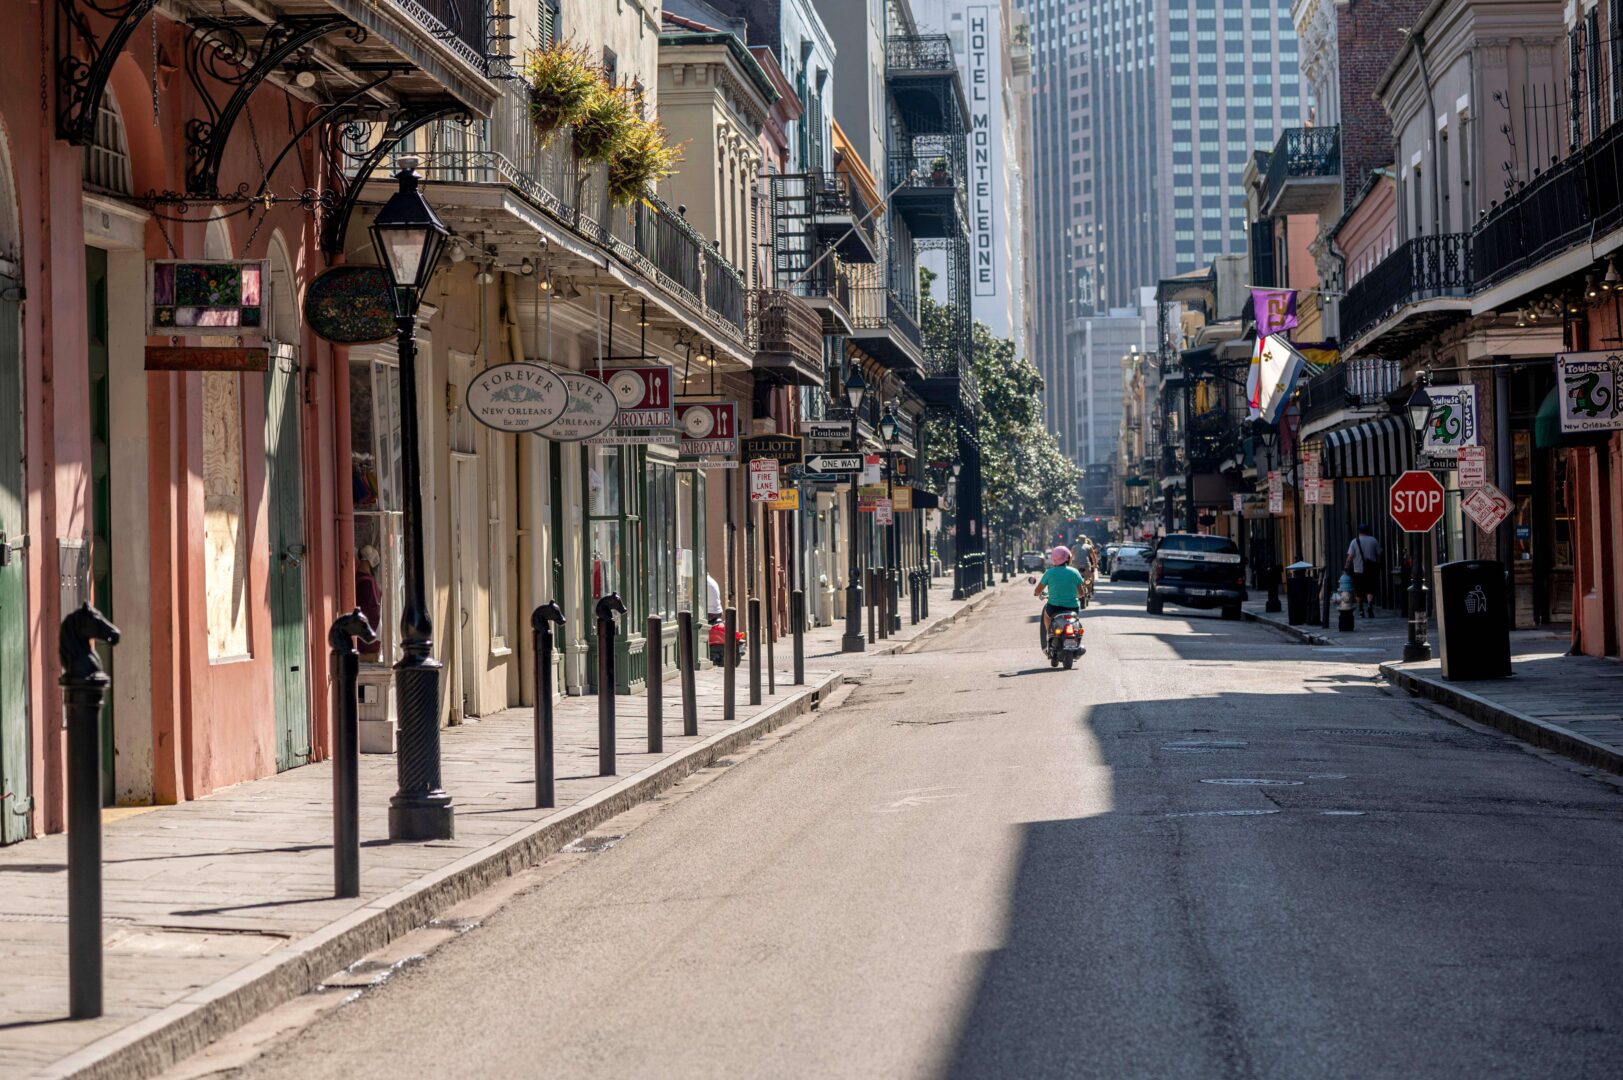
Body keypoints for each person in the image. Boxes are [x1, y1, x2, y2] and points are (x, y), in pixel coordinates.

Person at [1033, 545, 1085, 648]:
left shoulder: (1049, 573)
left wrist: (1037, 594)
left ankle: (1050, 634)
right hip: (1072, 607)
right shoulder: (1075, 572)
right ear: (1068, 558)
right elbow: (1081, 593)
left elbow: (1038, 591)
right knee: (1076, 622)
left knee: (1046, 615)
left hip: (1053, 607)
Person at [1345, 523, 1382, 618]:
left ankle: (1361, 608)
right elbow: (1379, 554)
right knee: (1370, 589)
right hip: (1370, 570)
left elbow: (1350, 557)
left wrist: (1346, 566)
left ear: (1359, 531)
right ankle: (1369, 605)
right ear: (1368, 531)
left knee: (1359, 591)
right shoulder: (1373, 540)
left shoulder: (1354, 542)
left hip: (1358, 570)